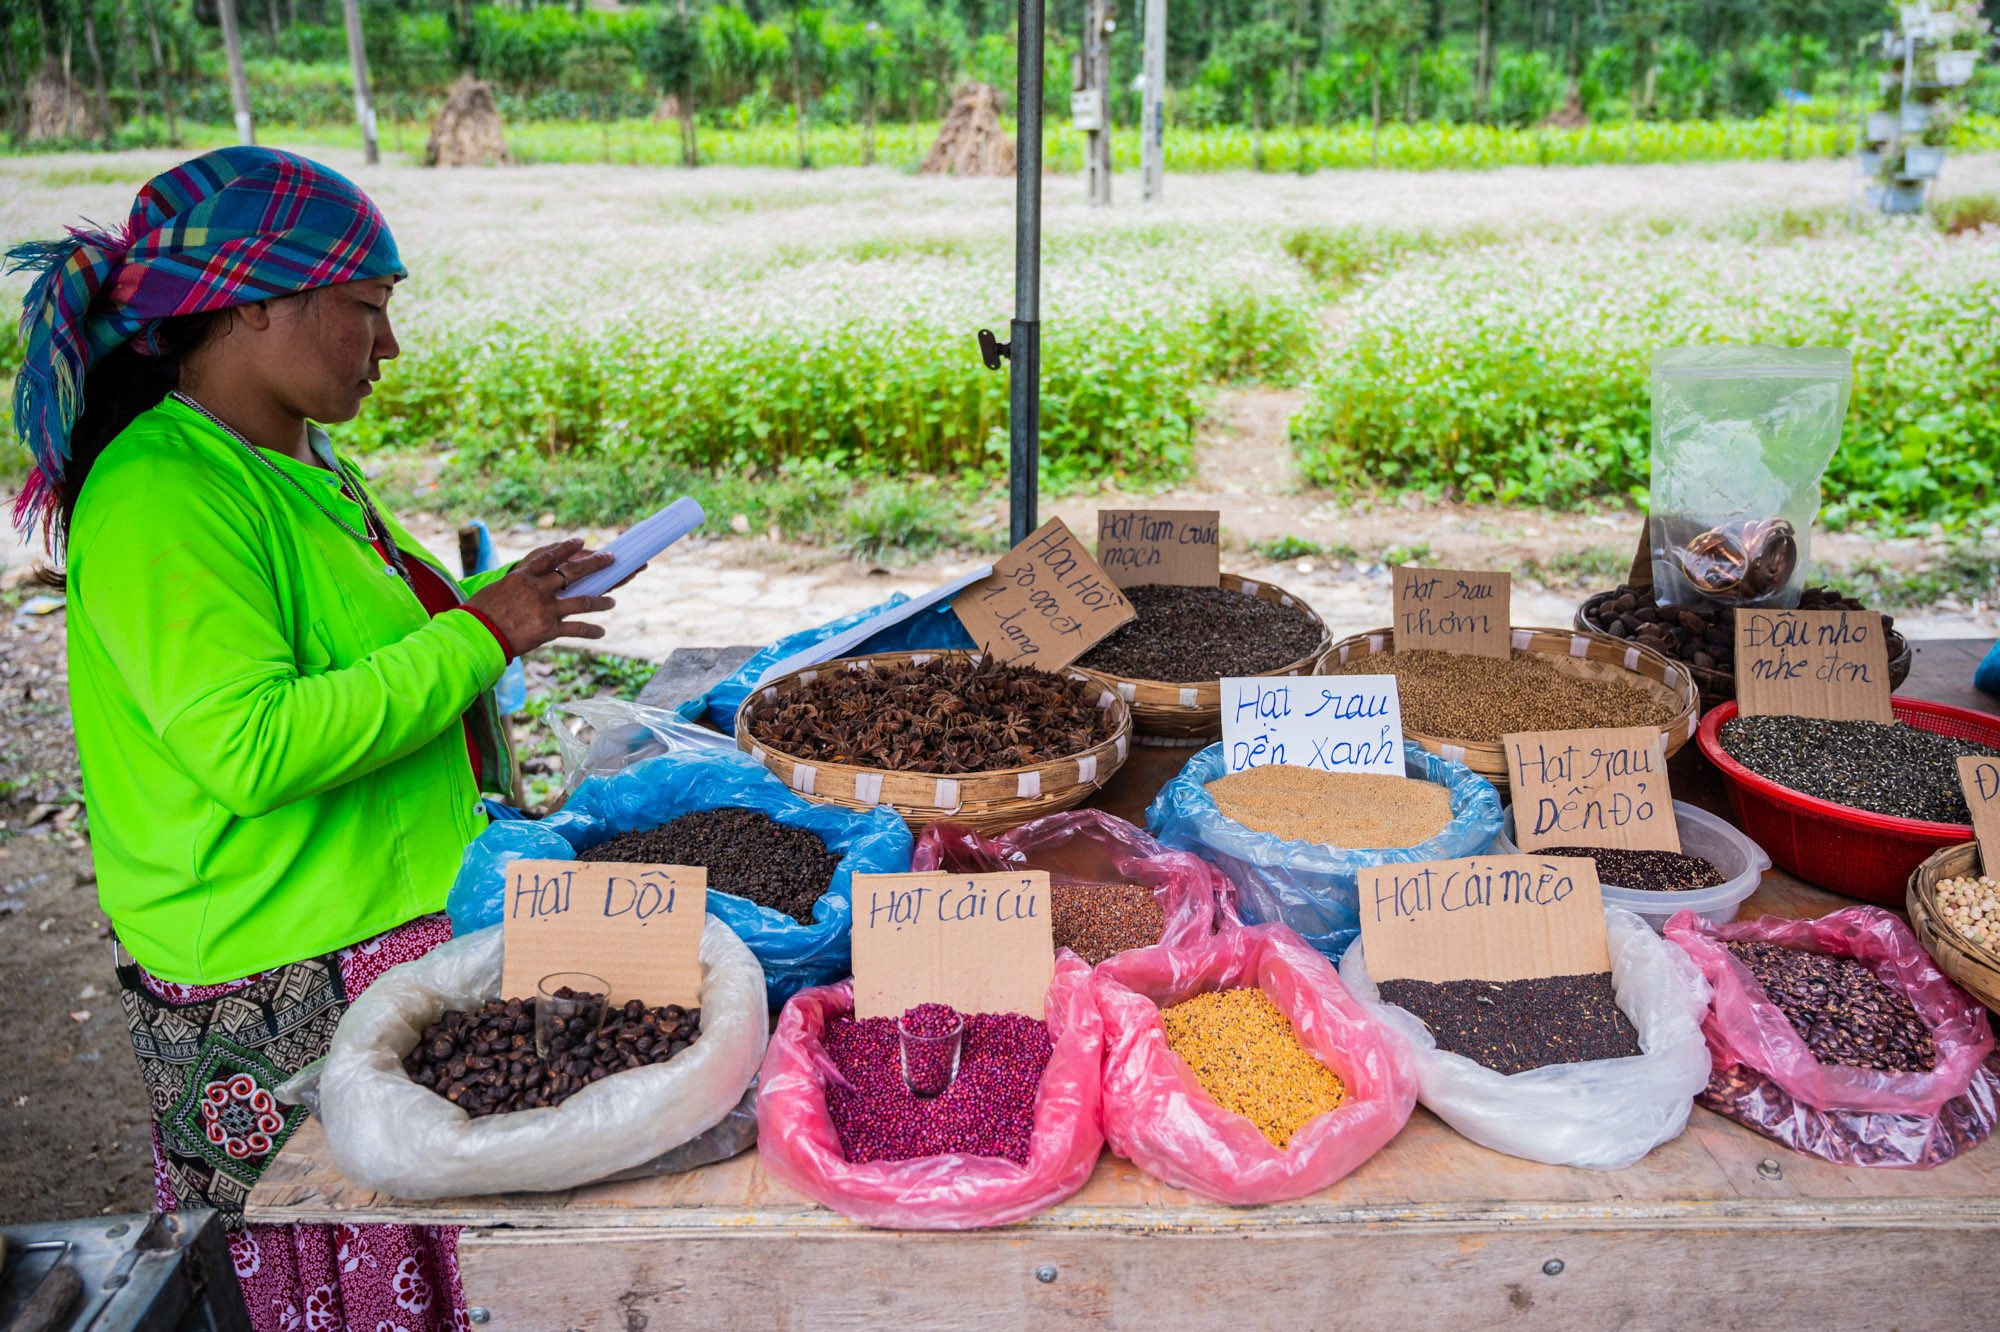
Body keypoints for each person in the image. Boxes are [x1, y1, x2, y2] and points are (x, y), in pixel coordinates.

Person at [8, 147, 619, 1331]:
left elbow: (366, 649)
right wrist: (477, 640)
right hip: (277, 974)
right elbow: (250, 744)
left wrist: (489, 611)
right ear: (255, 305)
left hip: (378, 932)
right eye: (367, 312)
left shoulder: (291, 461)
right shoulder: (162, 497)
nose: (386, 348)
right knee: (333, 1284)